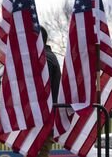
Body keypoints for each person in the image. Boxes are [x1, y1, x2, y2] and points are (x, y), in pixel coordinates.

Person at [38, 25, 62, 157]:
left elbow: (42, 90)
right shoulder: (48, 57)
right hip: (45, 118)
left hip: (44, 119)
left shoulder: (45, 59)